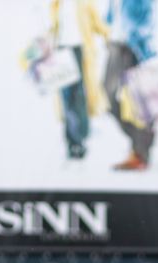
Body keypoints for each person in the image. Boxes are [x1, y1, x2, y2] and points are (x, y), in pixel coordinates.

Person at [49, 0, 107, 160]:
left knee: (80, 97)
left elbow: (98, 23)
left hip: (80, 51)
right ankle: (72, 142)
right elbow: (50, 28)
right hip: (61, 51)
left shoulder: (85, 2)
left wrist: (110, 35)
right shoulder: (56, 3)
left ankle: (80, 139)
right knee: (66, 98)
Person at [104, 0, 157, 171]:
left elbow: (149, 17)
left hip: (132, 47)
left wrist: (138, 40)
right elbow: (111, 16)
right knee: (107, 96)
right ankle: (142, 140)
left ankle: (140, 152)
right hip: (116, 45)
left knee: (136, 101)